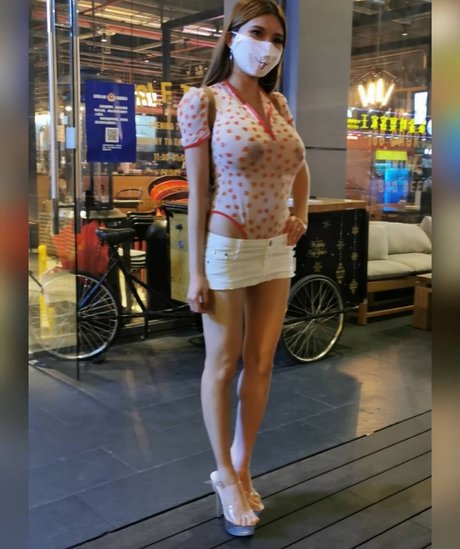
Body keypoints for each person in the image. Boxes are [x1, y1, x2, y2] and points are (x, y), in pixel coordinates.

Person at [177, 0, 310, 537]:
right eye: (258, 33)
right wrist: (195, 272)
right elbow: (196, 192)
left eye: (277, 39)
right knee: (223, 363)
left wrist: (300, 212)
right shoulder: (204, 101)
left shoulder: (278, 103)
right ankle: (225, 476)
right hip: (227, 247)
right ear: (231, 36)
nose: (267, 47)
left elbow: (299, 165)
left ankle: (243, 464)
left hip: (276, 248)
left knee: (261, 362)